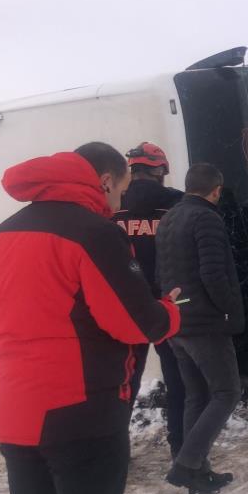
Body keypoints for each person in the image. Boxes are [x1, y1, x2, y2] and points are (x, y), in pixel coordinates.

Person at [0, 142, 181, 494]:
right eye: (120, 190)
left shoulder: (4, 232)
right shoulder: (94, 234)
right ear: (105, 181)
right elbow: (137, 325)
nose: (120, 200)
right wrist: (170, 312)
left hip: (16, 409)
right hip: (82, 413)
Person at [156, 163, 244, 494]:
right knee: (226, 392)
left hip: (177, 321)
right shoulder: (207, 218)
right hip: (205, 322)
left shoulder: (169, 218)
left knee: (198, 395)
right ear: (216, 190)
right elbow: (213, 273)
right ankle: (187, 463)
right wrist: (230, 310)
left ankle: (197, 471)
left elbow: (159, 273)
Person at [112, 141, 186, 458]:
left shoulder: (112, 206)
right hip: (167, 303)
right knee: (178, 377)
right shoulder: (178, 204)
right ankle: (182, 447)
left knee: (122, 381)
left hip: (122, 304)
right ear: (161, 172)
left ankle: (114, 453)